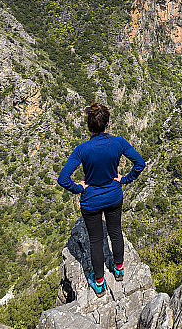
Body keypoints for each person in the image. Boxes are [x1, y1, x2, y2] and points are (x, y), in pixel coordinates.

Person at [57, 103, 145, 297]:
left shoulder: (82, 150)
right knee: (115, 232)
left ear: (89, 126)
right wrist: (125, 179)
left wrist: (79, 187)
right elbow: (140, 163)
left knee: (96, 241)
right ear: (107, 123)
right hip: (113, 196)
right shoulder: (118, 143)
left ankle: (99, 283)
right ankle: (119, 269)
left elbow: (63, 179)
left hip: (91, 202)